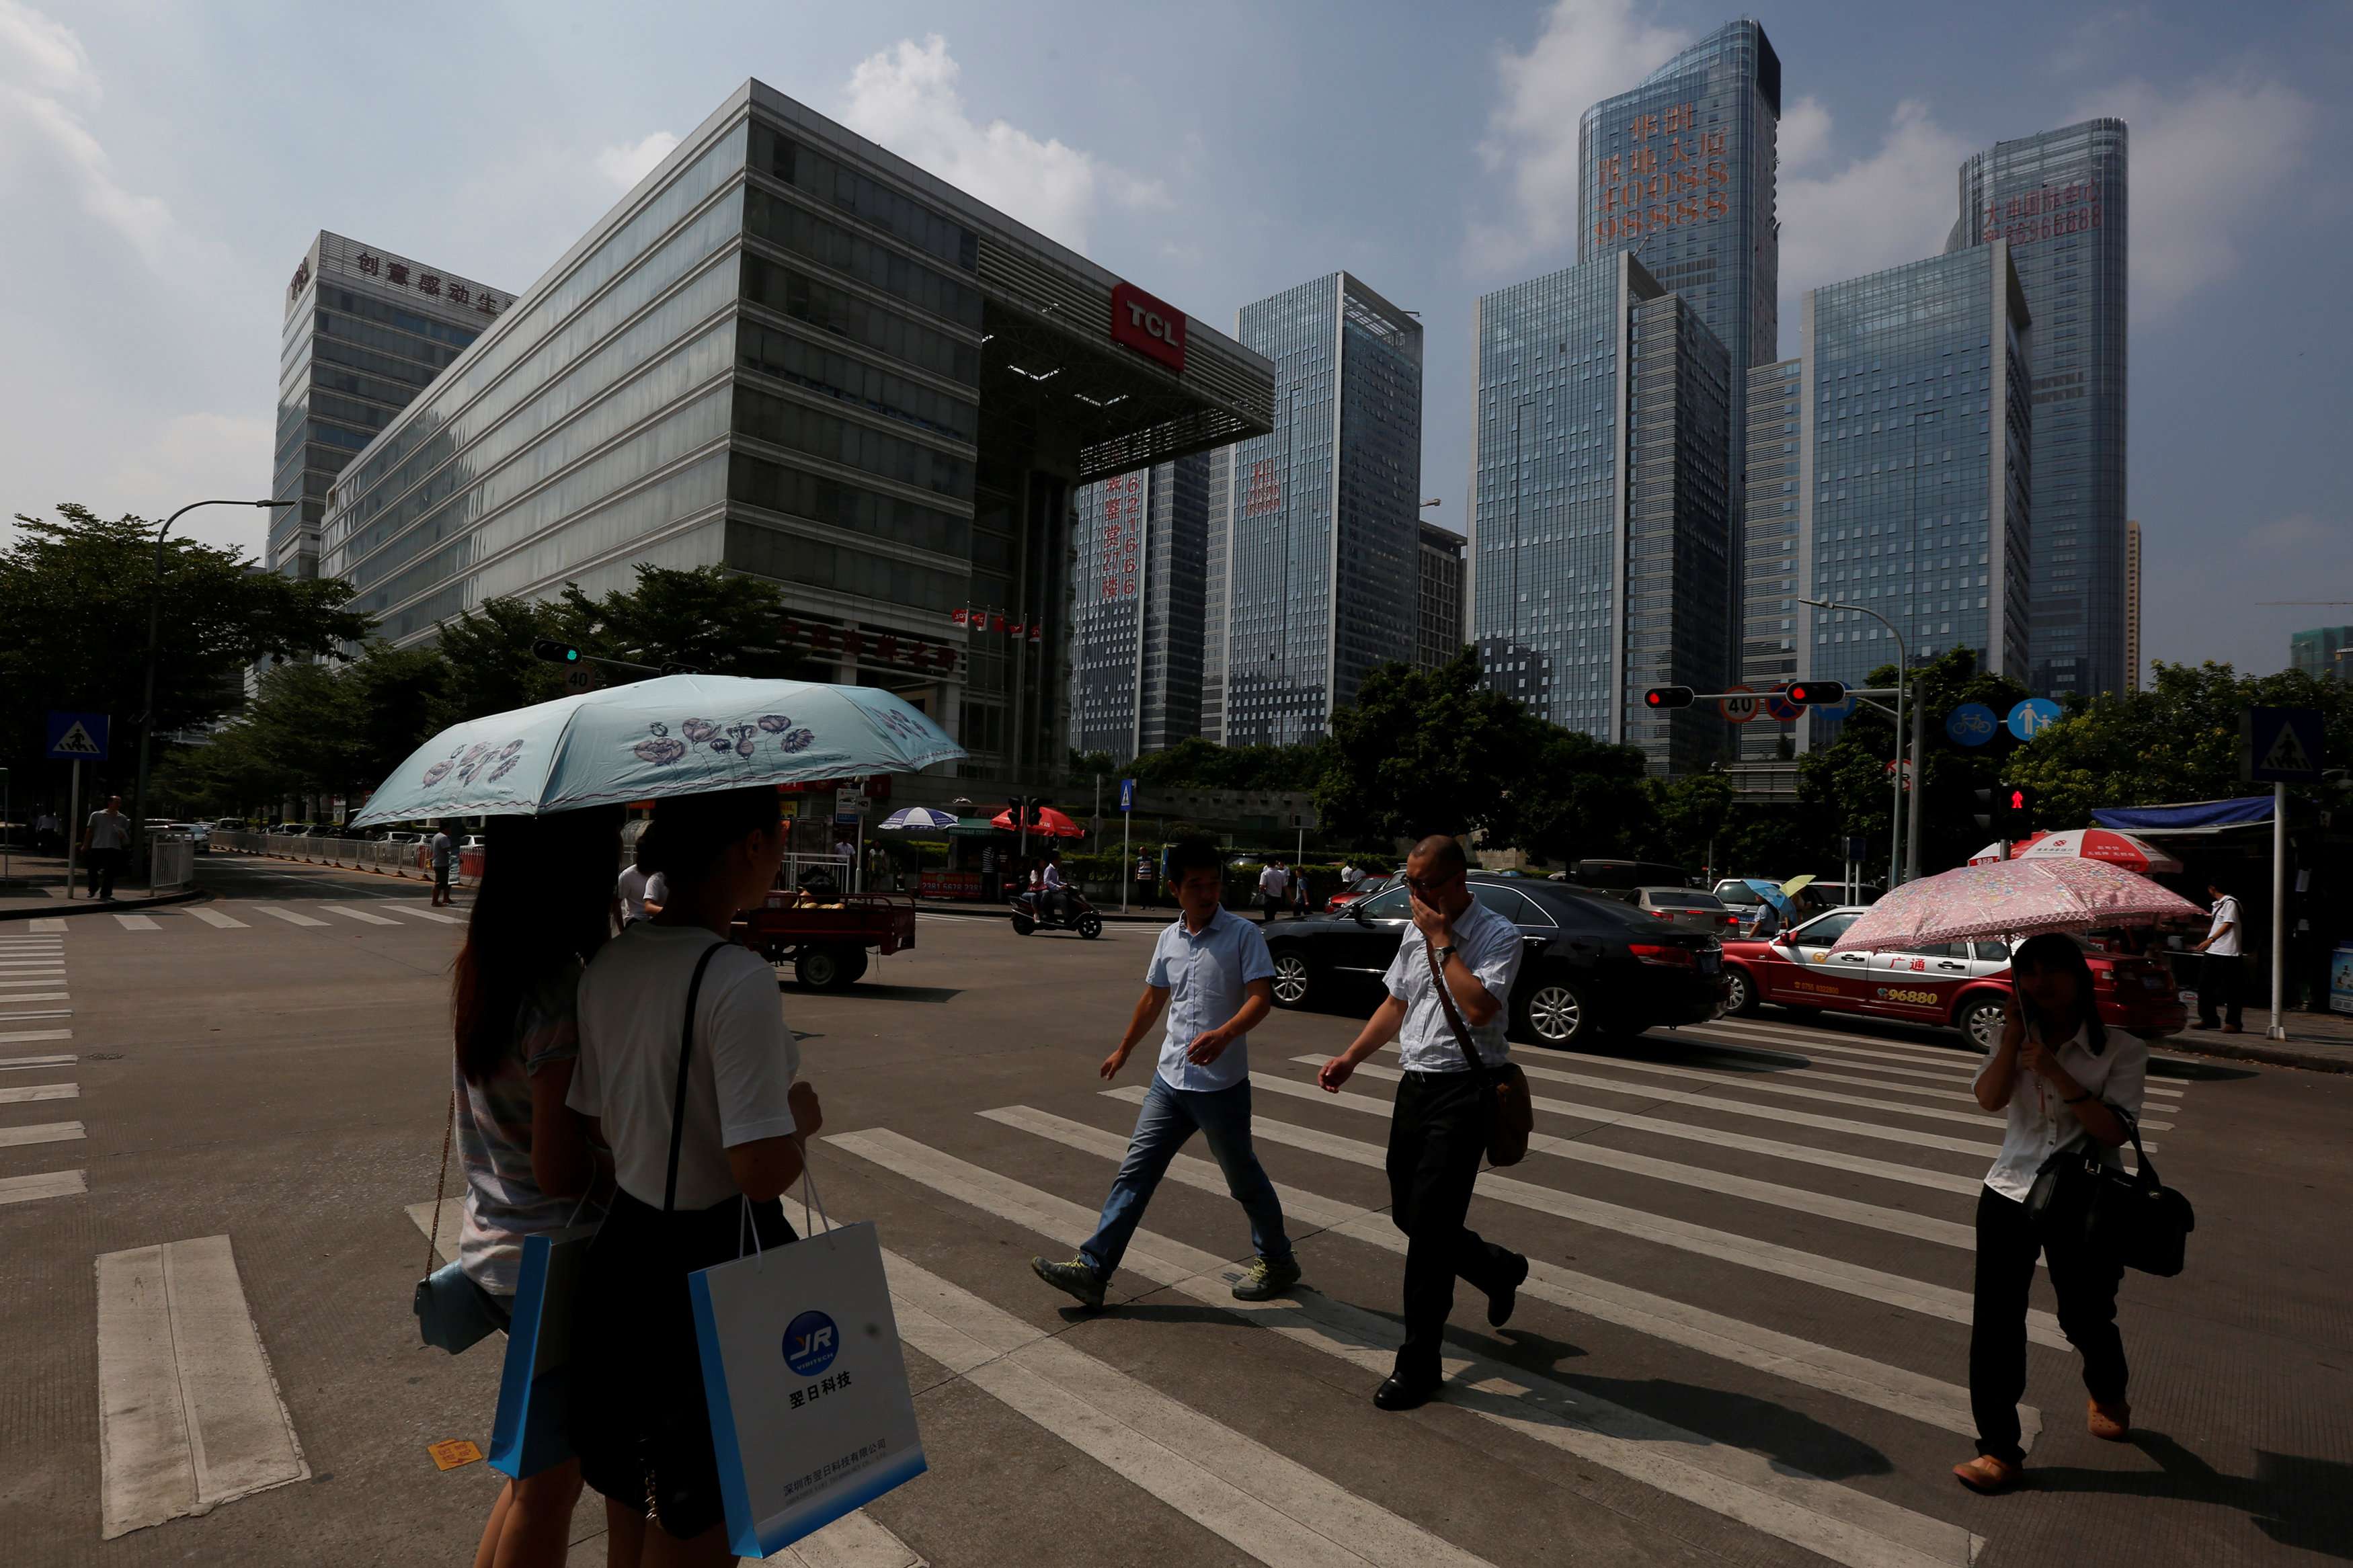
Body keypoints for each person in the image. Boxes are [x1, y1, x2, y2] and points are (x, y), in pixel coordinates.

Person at [565, 786, 821, 1565]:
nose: (781, 855)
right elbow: (758, 1172)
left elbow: (593, 1120)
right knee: (701, 1523)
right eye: (780, 838)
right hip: (708, 1272)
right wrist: (800, 1115)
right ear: (750, 845)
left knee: (630, 1513)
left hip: (622, 1261)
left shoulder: (609, 960)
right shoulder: (735, 976)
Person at [450, 809, 621, 1568]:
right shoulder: (558, 991)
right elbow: (560, 1166)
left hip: (497, 1242)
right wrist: (629, 1168)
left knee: (529, 1478)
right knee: (551, 1489)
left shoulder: (486, 964)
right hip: (552, 1264)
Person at [1032, 838, 1300, 1309]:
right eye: (1195, 885)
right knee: (1134, 1174)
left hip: (1222, 1087)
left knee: (1243, 1178)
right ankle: (1093, 1270)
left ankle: (1278, 1260)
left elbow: (1261, 997)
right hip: (1170, 1083)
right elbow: (1154, 999)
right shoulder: (1168, 939)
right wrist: (1124, 1049)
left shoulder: (1243, 935)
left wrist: (1225, 1034)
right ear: (1174, 888)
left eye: (1213, 883)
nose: (1207, 892)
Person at [1316, 835, 1529, 1411]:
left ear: (1458, 880)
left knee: (1430, 1235)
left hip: (1466, 1093)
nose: (1413, 895)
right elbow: (1397, 1002)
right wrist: (1351, 1056)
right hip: (1416, 1088)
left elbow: (1482, 1006)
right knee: (1410, 1215)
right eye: (1409, 882)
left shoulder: (1498, 935)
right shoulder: (1416, 930)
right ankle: (1496, 1266)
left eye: (1423, 884)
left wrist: (1442, 941)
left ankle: (1419, 1363)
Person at [1952, 933, 2148, 1494]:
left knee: (2084, 1315)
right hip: (2009, 1191)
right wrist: (2012, 1040)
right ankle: (1999, 1450)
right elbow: (1989, 1099)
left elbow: (2116, 1132)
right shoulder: (2015, 1036)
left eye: (2052, 970)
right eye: (2028, 970)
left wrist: (2061, 1076)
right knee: (1996, 1323)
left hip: (2085, 1199)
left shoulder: (2121, 1049)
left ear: (2079, 977)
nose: (2040, 981)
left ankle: (2108, 1388)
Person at [2189, 880, 2243, 1034]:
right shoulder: (2218, 905)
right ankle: (2209, 1018)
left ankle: (2234, 1022)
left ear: (2212, 888)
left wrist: (2210, 939)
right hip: (2214, 951)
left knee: (2231, 988)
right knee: (2205, 985)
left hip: (2229, 951)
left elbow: (2228, 924)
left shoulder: (2230, 903)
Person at [611, 832, 669, 932]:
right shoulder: (627, 876)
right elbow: (615, 904)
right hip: (636, 921)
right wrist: (622, 931)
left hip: (659, 920)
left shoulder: (662, 875)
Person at [82, 795, 129, 900]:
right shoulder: (97, 815)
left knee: (110, 871)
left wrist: (122, 836)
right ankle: (93, 887)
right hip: (98, 845)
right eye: (117, 802)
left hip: (114, 847)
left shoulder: (122, 818)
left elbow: (125, 833)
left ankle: (106, 893)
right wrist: (85, 844)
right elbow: (89, 831)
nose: (119, 805)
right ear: (110, 803)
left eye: (120, 803)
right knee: (92, 869)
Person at [430, 823, 457, 907]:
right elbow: (447, 850)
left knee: (447, 883)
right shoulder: (443, 837)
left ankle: (446, 899)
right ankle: (435, 901)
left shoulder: (436, 836)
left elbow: (432, 850)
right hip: (442, 864)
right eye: (449, 829)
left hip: (439, 863)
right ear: (446, 829)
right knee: (439, 883)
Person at [1039, 849, 1070, 923]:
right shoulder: (1049, 869)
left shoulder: (1055, 870)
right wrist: (1058, 887)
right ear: (1054, 860)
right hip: (1051, 893)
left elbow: (1056, 881)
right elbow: (1047, 881)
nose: (1060, 861)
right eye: (1059, 859)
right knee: (1063, 899)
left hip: (1056, 891)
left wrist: (1064, 884)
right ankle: (1067, 918)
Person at [1256, 858, 1288, 923]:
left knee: (1268, 917)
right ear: (1275, 864)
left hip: (1269, 898)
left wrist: (1263, 891)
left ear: (1267, 864)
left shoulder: (1265, 874)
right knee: (1272, 916)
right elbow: (1285, 887)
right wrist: (1291, 899)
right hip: (1278, 898)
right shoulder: (1281, 874)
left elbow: (1262, 886)